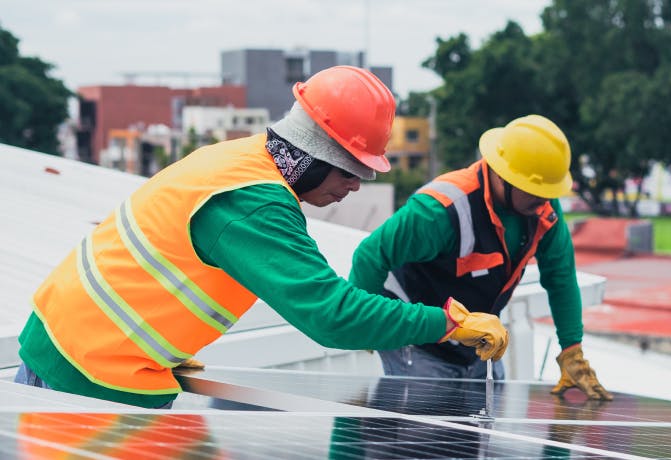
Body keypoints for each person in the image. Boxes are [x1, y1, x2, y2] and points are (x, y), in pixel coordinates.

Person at [14, 65, 508, 409]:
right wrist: (447, 322)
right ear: (317, 152)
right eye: (352, 170)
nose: (356, 186)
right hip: (87, 372)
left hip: (77, 346)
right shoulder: (254, 203)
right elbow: (331, 316)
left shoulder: (240, 159)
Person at [349, 114, 612, 400]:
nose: (545, 201)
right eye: (536, 192)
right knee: (427, 431)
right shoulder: (440, 209)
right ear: (503, 176)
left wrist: (572, 350)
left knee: (479, 433)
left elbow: (560, 278)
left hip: (479, 342)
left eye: (548, 193)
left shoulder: (543, 212)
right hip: (419, 342)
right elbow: (370, 256)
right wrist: (365, 325)